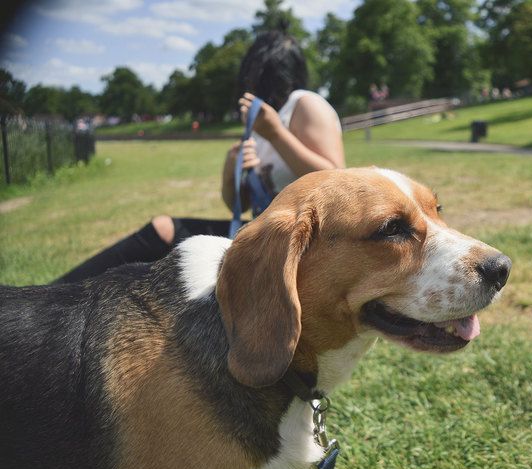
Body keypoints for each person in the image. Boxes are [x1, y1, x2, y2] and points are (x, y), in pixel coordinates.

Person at [54, 29, 344, 284]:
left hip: (303, 245)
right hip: (265, 235)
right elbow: (239, 205)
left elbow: (336, 183)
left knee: (168, 234)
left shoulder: (305, 103)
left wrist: (276, 134)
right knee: (164, 229)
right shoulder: (264, 122)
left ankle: (57, 295)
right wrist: (230, 170)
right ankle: (58, 293)